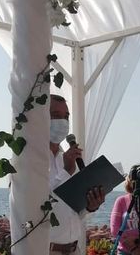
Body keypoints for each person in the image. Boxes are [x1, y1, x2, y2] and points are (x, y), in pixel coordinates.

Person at [49, 94, 105, 255]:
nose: (63, 122)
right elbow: (44, 205)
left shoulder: (65, 159)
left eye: (66, 117)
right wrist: (66, 171)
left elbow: (70, 209)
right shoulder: (32, 161)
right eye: (55, 116)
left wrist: (89, 206)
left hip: (74, 249)